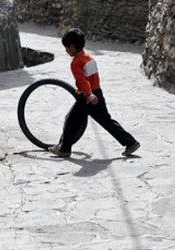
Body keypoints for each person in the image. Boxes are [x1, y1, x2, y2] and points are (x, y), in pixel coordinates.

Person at [49, 28, 140, 158]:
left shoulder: (76, 63)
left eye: (67, 47)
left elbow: (83, 80)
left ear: (73, 46)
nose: (66, 50)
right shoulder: (89, 58)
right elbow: (93, 78)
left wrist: (87, 94)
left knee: (71, 120)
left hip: (87, 98)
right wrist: (92, 93)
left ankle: (64, 149)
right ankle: (130, 142)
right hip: (97, 93)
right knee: (106, 121)